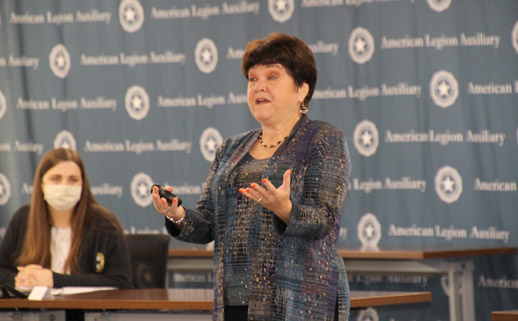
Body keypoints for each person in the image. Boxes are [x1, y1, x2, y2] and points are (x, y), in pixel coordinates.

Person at [152, 32, 351, 321]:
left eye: (272, 77)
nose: (259, 86)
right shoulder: (230, 149)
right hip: (235, 301)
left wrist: (286, 209)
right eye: (253, 79)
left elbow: (324, 219)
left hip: (298, 302)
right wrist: (178, 214)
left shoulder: (322, 140)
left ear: (302, 89)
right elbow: (208, 223)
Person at [0, 148, 131, 290]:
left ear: (82, 185)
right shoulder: (24, 218)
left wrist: (54, 280)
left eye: (73, 180)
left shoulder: (104, 224)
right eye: (56, 179)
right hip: (34, 311)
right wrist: (20, 279)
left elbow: (120, 282)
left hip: (85, 311)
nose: (64, 186)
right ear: (42, 185)